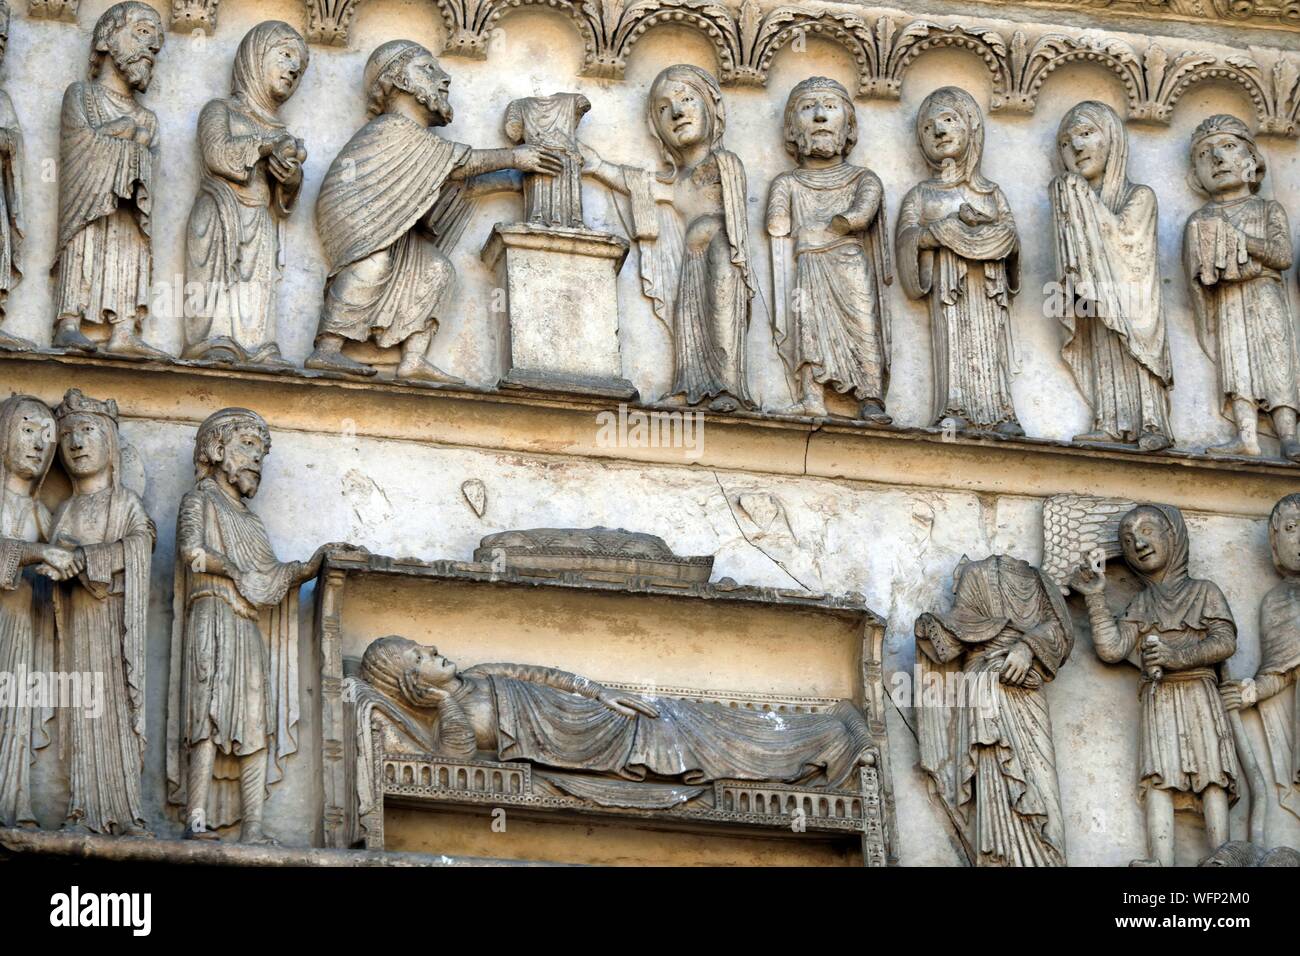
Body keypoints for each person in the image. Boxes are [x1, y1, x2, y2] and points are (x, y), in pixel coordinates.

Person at [1070, 503, 1238, 866]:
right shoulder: (1142, 602)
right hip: (1159, 698)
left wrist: (1176, 657)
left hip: (1198, 691)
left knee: (1211, 773)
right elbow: (1113, 649)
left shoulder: (1204, 592)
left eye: (1147, 530)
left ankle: (1222, 853)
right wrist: (1096, 596)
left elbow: (1225, 643)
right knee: (1158, 774)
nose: (1138, 542)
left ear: (1173, 536)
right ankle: (1159, 860)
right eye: (1128, 539)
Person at [581, 64, 755, 412]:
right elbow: (642, 185)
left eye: (687, 99)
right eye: (663, 108)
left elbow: (736, 221)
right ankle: (691, 387)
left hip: (723, 251)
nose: (676, 112)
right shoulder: (679, 176)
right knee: (689, 324)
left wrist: (734, 258)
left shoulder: (724, 161)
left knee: (721, 317)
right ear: (657, 129)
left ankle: (730, 388)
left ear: (712, 106)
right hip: (691, 259)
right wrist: (598, 166)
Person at [896, 87, 1023, 436]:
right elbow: (907, 240)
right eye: (927, 127)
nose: (938, 131)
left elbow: (1010, 240)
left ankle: (1001, 411)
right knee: (953, 344)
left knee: (992, 348)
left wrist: (984, 231)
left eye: (948, 120)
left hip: (988, 292)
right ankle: (954, 406)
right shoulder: (921, 195)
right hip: (949, 293)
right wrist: (941, 232)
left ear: (971, 127)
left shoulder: (990, 193)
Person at [182, 21, 309, 367]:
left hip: (260, 221)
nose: (293, 69)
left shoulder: (280, 132)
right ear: (255, 59)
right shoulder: (219, 110)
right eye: (284, 56)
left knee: (257, 289)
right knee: (218, 285)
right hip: (220, 217)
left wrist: (291, 179)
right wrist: (267, 146)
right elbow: (217, 155)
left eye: (298, 66)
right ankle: (212, 341)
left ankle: (258, 346)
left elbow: (283, 204)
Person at [767, 77, 892, 423]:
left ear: (849, 127)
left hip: (849, 263)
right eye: (808, 109)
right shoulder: (787, 182)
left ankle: (870, 397)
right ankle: (811, 395)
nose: (820, 116)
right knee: (807, 325)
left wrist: (844, 220)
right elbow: (776, 223)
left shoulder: (863, 178)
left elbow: (862, 214)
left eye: (830, 107)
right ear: (792, 130)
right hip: (809, 265)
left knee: (862, 325)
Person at [1051, 101, 1173, 451]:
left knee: (1130, 341)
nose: (1075, 148)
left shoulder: (1140, 196)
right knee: (1103, 340)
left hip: (1134, 303)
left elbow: (1126, 248)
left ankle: (1151, 422)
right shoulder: (1072, 192)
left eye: (1087, 134)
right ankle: (1109, 420)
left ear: (1113, 140)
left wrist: (1078, 198)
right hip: (1099, 304)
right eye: (1066, 141)